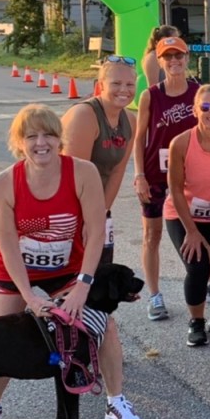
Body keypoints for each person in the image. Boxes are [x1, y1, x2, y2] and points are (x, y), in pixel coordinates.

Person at [0, 104, 141, 419]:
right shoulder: (4, 183)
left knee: (105, 326)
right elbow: (7, 243)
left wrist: (84, 285)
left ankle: (114, 401)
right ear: (19, 142)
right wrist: (28, 295)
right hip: (14, 271)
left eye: (49, 135)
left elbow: (96, 231)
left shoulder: (82, 173)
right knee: (0, 338)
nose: (41, 143)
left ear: (59, 139)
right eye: (31, 136)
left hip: (68, 269)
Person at [132, 35, 200, 322]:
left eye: (179, 56)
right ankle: (155, 295)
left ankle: (209, 282)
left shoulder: (198, 92)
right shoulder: (151, 95)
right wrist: (138, 175)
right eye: (167, 57)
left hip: (191, 175)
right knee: (152, 235)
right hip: (155, 174)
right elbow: (139, 139)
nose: (174, 62)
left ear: (187, 58)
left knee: (200, 230)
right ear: (159, 61)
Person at [165, 84, 210, 347]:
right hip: (184, 214)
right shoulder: (181, 143)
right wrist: (192, 231)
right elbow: (175, 188)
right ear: (195, 110)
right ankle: (196, 321)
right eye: (205, 107)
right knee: (199, 266)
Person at [61, 56, 137, 266]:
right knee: (71, 276)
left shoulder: (130, 120)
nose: (124, 90)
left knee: (99, 273)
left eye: (130, 84)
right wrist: (88, 220)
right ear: (100, 85)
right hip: (69, 206)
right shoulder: (84, 115)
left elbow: (117, 171)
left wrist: (101, 215)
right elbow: (75, 175)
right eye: (116, 83)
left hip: (95, 207)